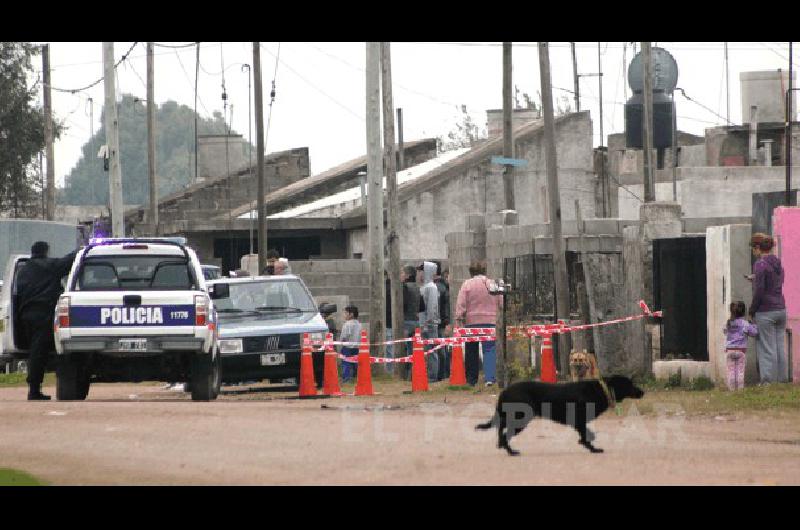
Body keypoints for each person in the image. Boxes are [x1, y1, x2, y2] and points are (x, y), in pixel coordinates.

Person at [15, 241, 78, 400]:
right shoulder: (48, 266)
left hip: (26, 316)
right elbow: (67, 261)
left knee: (35, 352)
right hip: (42, 314)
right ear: (45, 252)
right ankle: (34, 390)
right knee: (38, 352)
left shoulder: (23, 270)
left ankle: (35, 387)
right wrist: (84, 247)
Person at [454, 260, 501, 387]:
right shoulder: (493, 283)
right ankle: (490, 378)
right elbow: (501, 302)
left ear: (470, 271)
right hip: (490, 321)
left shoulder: (467, 285)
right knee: (489, 349)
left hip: (471, 322)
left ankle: (471, 379)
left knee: (471, 350)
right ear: (485, 271)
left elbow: (461, 304)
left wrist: (459, 317)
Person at [748, 233, 787, 384]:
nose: (753, 252)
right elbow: (777, 281)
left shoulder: (760, 264)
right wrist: (756, 277)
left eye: (753, 249)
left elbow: (760, 290)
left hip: (766, 310)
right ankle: (782, 380)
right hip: (781, 309)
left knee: (766, 348)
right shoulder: (777, 262)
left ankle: (767, 382)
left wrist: (752, 310)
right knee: (779, 347)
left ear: (758, 248)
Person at [722, 301, 758, 391]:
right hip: (741, 351)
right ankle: (740, 390)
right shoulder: (745, 324)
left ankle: (732, 390)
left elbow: (724, 331)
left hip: (729, 351)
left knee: (731, 371)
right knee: (740, 371)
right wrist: (753, 324)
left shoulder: (728, 323)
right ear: (744, 312)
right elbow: (754, 333)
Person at [401, 265, 425, 380]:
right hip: (416, 321)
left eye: (402, 273)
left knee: (404, 350)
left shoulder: (405, 287)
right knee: (414, 351)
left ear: (407, 275)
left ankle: (405, 376)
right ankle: (413, 375)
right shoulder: (417, 287)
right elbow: (422, 306)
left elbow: (403, 305)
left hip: (406, 321)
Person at [418, 261, 440, 383]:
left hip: (429, 325)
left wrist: (427, 323)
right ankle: (429, 375)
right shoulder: (424, 287)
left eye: (422, 270)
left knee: (431, 351)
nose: (420, 273)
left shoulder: (431, 287)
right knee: (427, 351)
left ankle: (433, 376)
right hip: (424, 324)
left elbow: (431, 308)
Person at [434, 263, 451, 381]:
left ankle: (442, 375)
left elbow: (442, 307)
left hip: (438, 323)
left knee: (440, 350)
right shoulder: (443, 287)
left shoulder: (437, 287)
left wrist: (445, 322)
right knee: (442, 349)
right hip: (442, 322)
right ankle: (445, 374)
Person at [339, 305, 361, 384]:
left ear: (351, 314)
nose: (344, 315)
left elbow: (344, 336)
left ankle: (346, 378)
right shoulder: (359, 324)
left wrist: (341, 341)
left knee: (346, 362)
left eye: (345, 313)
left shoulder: (347, 324)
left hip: (347, 347)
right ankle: (356, 377)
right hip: (356, 347)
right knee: (355, 362)